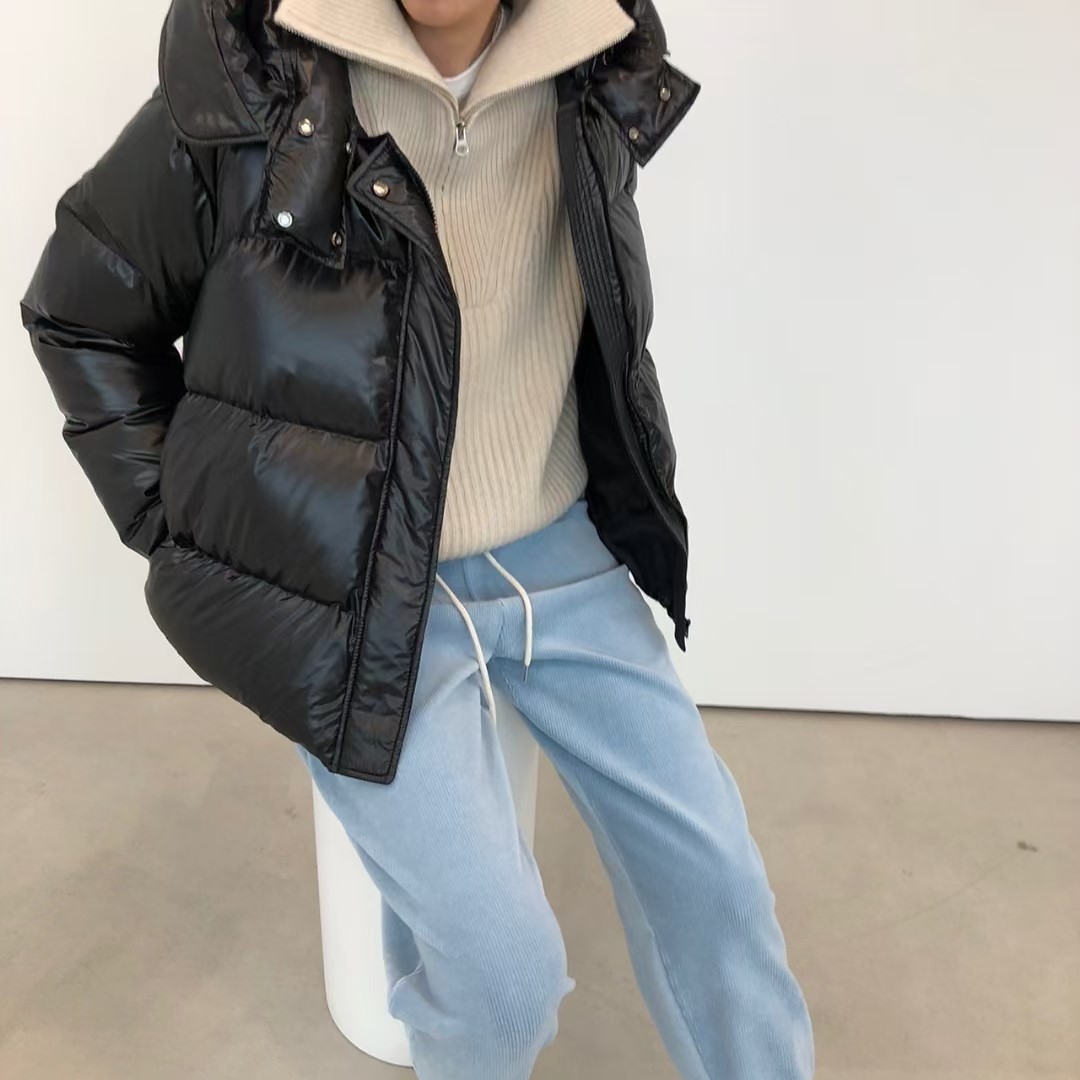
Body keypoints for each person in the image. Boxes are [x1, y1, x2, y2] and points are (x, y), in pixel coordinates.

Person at [18, 0, 814, 1076]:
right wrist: (191, 531)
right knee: (501, 978)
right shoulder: (256, 82)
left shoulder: (594, 61)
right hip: (353, 588)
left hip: (562, 553)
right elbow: (78, 309)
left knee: (722, 894)